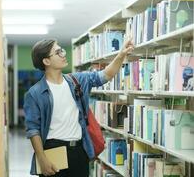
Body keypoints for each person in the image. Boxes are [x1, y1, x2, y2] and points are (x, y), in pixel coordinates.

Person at [23, 38, 134, 177]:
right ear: (46, 61)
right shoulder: (34, 93)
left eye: (61, 50)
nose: (63, 54)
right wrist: (42, 158)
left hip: (79, 151)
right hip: (53, 151)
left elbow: (106, 75)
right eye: (58, 52)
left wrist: (121, 54)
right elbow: (33, 130)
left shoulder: (77, 81)